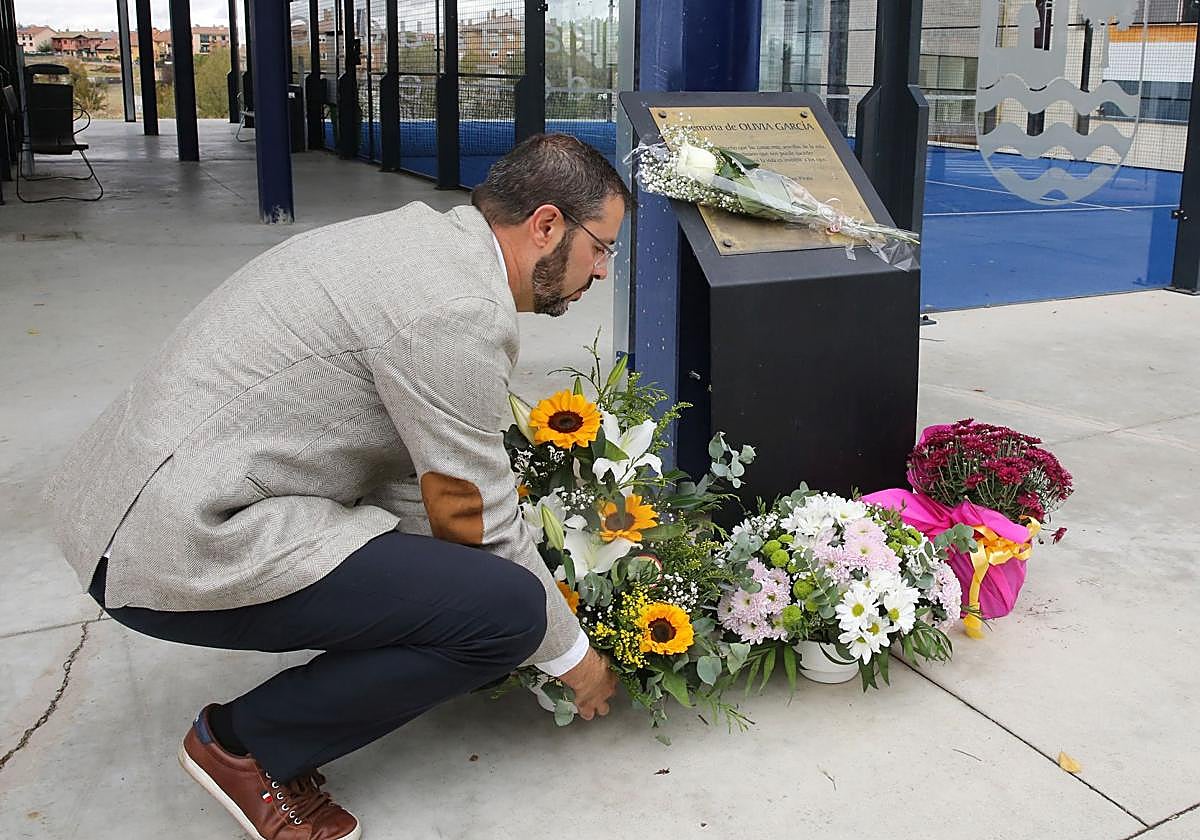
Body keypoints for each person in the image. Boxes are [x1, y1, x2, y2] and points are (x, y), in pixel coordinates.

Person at [43, 133, 632, 840]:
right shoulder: (454, 310)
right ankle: (245, 746)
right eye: (602, 248)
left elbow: (432, 485)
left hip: (129, 501)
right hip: (176, 538)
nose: (602, 273)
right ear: (545, 225)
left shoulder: (415, 243)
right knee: (506, 612)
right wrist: (576, 658)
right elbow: (479, 518)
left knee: (477, 602)